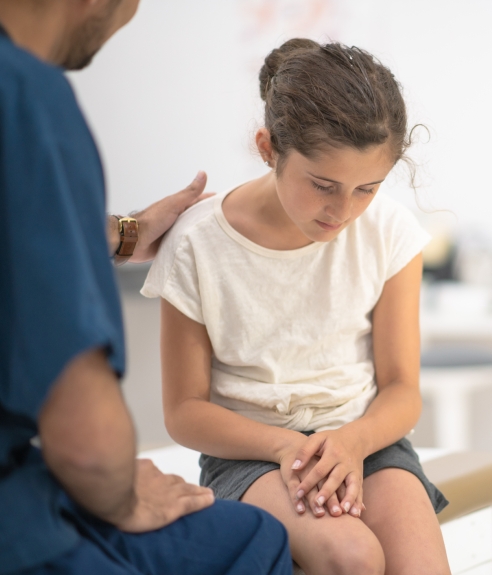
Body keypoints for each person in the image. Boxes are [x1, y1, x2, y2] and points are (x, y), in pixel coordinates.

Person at [0, 1, 292, 573]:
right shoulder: (29, 98)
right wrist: (124, 494)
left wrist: (122, 232)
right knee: (255, 539)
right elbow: (85, 442)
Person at [141, 38, 452, 575]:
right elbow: (184, 411)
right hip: (252, 453)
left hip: (366, 438)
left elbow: (402, 389)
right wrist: (286, 447)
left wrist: (353, 441)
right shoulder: (197, 243)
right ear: (268, 148)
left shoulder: (391, 232)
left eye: (366, 189)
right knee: (351, 555)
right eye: (323, 185)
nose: (343, 210)